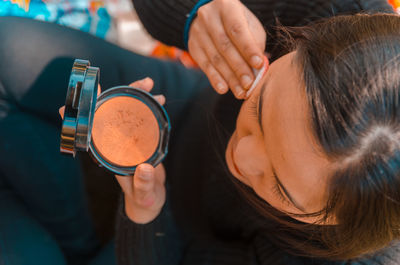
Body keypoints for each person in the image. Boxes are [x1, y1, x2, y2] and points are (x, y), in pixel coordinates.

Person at [114, 0, 400, 264]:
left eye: (279, 187)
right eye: (260, 110)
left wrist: (145, 213)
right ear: (301, 41)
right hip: (185, 105)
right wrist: (196, 15)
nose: (240, 155)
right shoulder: (344, 16)